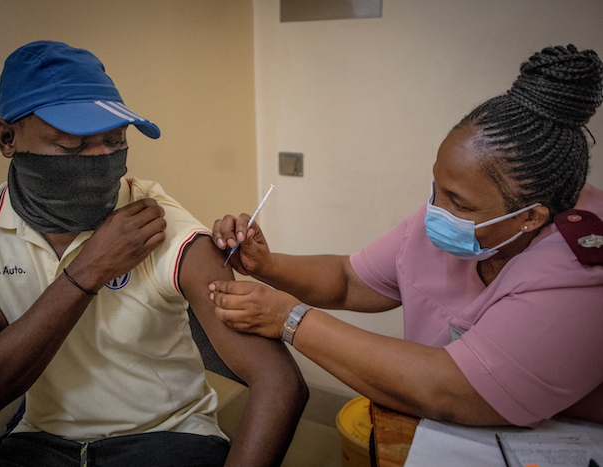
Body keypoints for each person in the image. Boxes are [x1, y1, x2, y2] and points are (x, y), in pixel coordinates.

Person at [0, 40, 307, 466]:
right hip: (40, 439)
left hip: (167, 435)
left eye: (114, 140)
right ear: (7, 137)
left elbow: (279, 382)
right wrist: (87, 270)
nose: (100, 159)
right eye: (72, 145)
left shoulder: (158, 221)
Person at [209, 44, 603, 429]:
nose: (435, 211)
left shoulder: (579, 270)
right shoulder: (451, 220)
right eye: (436, 189)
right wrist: (268, 264)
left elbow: (452, 390)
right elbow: (349, 280)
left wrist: (289, 318)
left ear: (529, 218)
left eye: (458, 203)